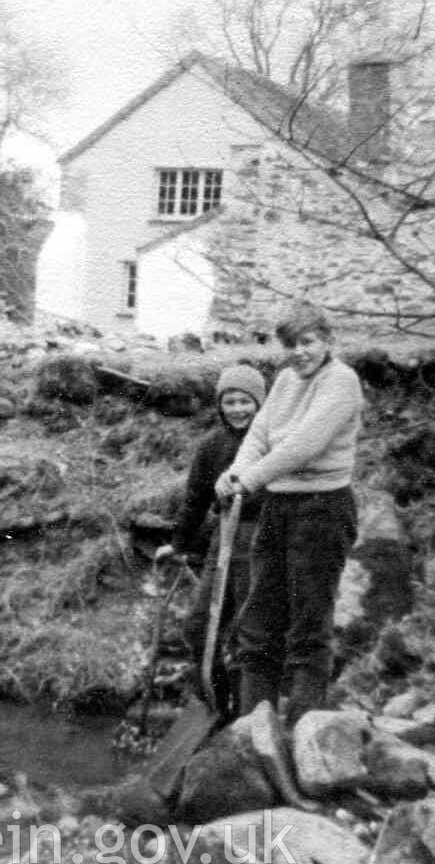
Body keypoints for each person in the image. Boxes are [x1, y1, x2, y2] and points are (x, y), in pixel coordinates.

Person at [215, 306, 363, 726]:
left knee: (308, 624)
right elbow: (259, 434)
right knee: (259, 620)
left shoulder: (341, 382)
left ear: (327, 342)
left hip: (322, 510)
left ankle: (303, 731)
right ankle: (251, 731)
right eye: (291, 345)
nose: (299, 353)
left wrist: (251, 480)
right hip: (278, 508)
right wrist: (235, 472)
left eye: (308, 342)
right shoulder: (283, 381)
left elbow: (304, 444)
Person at [154, 364, 268, 711]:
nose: (237, 409)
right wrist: (178, 544)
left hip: (261, 539)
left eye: (245, 401)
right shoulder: (211, 446)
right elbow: (195, 499)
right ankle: (216, 705)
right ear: (219, 405)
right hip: (223, 540)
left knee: (250, 629)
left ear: (259, 403)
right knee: (199, 627)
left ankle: (250, 713)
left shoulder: (275, 443)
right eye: (229, 401)